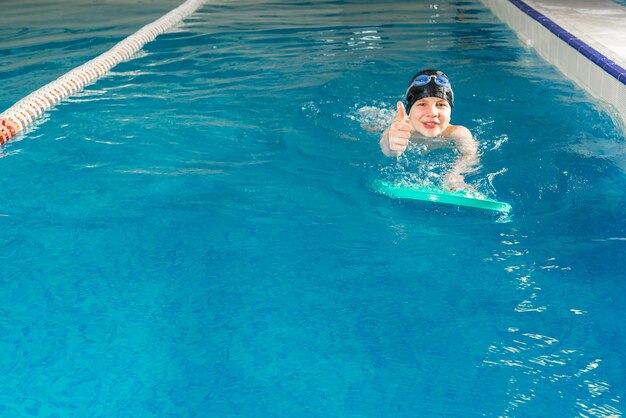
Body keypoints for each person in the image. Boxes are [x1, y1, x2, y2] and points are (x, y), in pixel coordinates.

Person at [379, 69, 479, 191]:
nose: (432, 113)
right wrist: (391, 146)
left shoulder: (458, 133)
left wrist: (454, 174)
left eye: (441, 105)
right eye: (422, 104)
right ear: (409, 112)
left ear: (450, 112)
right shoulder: (400, 130)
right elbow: (388, 146)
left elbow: (469, 156)